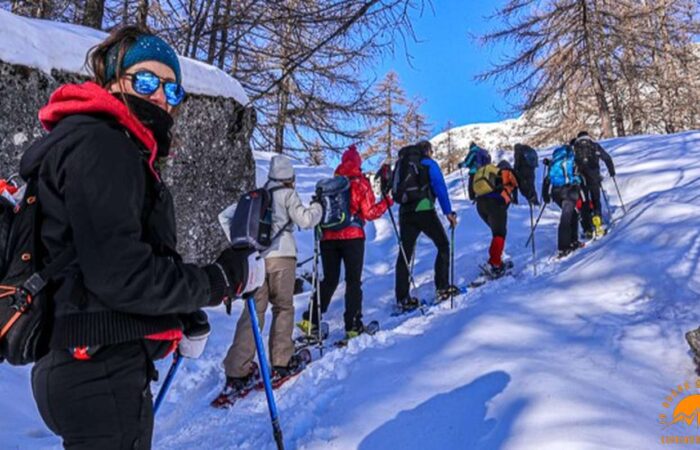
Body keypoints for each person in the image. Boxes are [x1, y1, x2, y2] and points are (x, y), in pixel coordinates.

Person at [26, 26, 261, 449]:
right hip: (99, 371)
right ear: (113, 81)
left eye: (171, 90)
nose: (159, 96)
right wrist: (219, 281)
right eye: (147, 81)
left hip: (83, 365)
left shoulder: (98, 143)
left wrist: (177, 315)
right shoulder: (104, 145)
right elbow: (122, 276)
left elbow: (93, 261)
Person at [217, 155, 322, 401]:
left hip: (256, 261)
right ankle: (282, 362)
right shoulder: (287, 194)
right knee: (283, 308)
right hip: (283, 258)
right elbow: (306, 220)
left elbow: (224, 217)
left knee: (254, 312)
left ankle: (237, 369)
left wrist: (240, 242)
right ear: (290, 177)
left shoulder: (256, 196)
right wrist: (318, 208)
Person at [299, 145, 391, 340]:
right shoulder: (359, 183)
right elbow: (369, 213)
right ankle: (353, 325)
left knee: (330, 280)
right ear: (357, 163)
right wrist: (387, 202)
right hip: (353, 237)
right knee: (353, 281)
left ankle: (311, 320)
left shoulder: (330, 185)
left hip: (328, 239)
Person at [394, 140, 458, 308]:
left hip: (405, 213)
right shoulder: (429, 163)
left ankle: (402, 298)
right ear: (428, 150)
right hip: (424, 209)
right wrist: (448, 212)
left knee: (405, 254)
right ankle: (442, 287)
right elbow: (439, 187)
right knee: (443, 245)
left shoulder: (403, 164)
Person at [473, 160, 519, 278]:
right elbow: (517, 186)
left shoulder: (491, 176)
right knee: (499, 234)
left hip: (480, 205)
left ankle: (496, 259)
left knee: (497, 234)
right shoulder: (506, 173)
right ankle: (494, 264)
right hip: (495, 205)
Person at [541, 143, 585, 258]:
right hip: (569, 190)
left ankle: (573, 241)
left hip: (556, 192)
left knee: (573, 214)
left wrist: (545, 195)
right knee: (566, 217)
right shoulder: (571, 160)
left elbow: (547, 179)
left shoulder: (555, 163)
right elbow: (577, 174)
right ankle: (564, 248)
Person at [573, 131, 616, 238]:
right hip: (594, 177)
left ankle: (587, 229)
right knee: (596, 199)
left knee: (584, 202)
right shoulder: (594, 145)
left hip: (581, 179)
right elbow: (607, 158)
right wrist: (612, 172)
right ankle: (598, 224)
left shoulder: (575, 147)